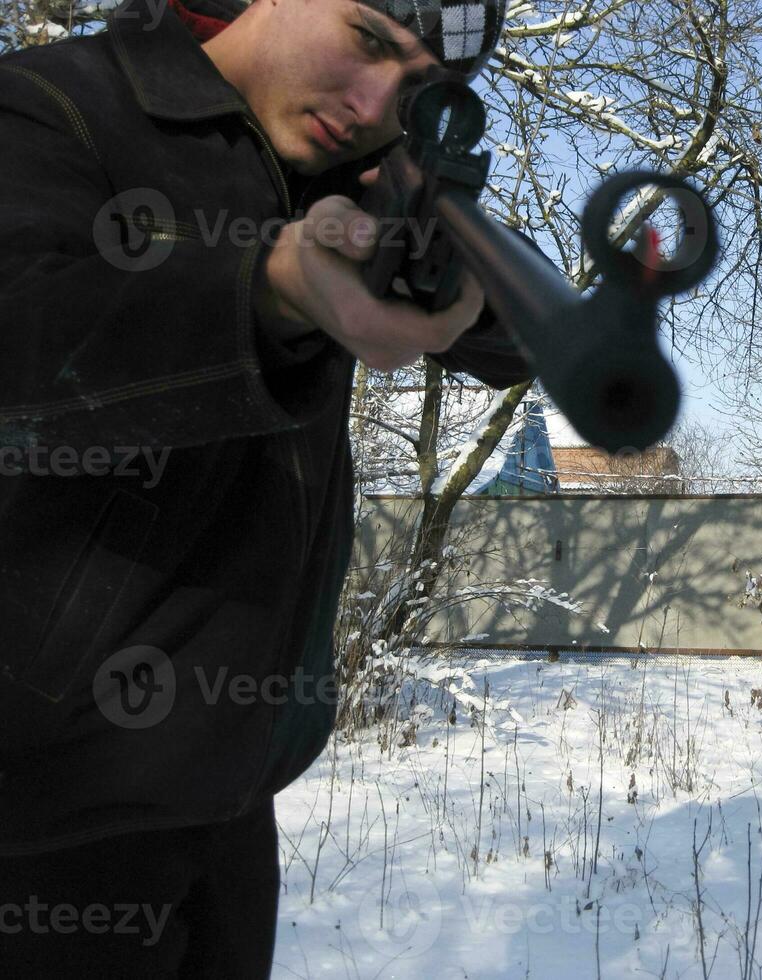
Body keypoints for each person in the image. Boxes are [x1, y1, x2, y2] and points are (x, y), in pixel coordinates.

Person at [0, 0, 529, 974]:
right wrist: (266, 289)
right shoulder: (55, 103)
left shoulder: (335, 176)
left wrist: (448, 262)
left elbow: (509, 343)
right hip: (43, 813)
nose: (375, 101)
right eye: (366, 37)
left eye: (416, 90)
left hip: (236, 792)